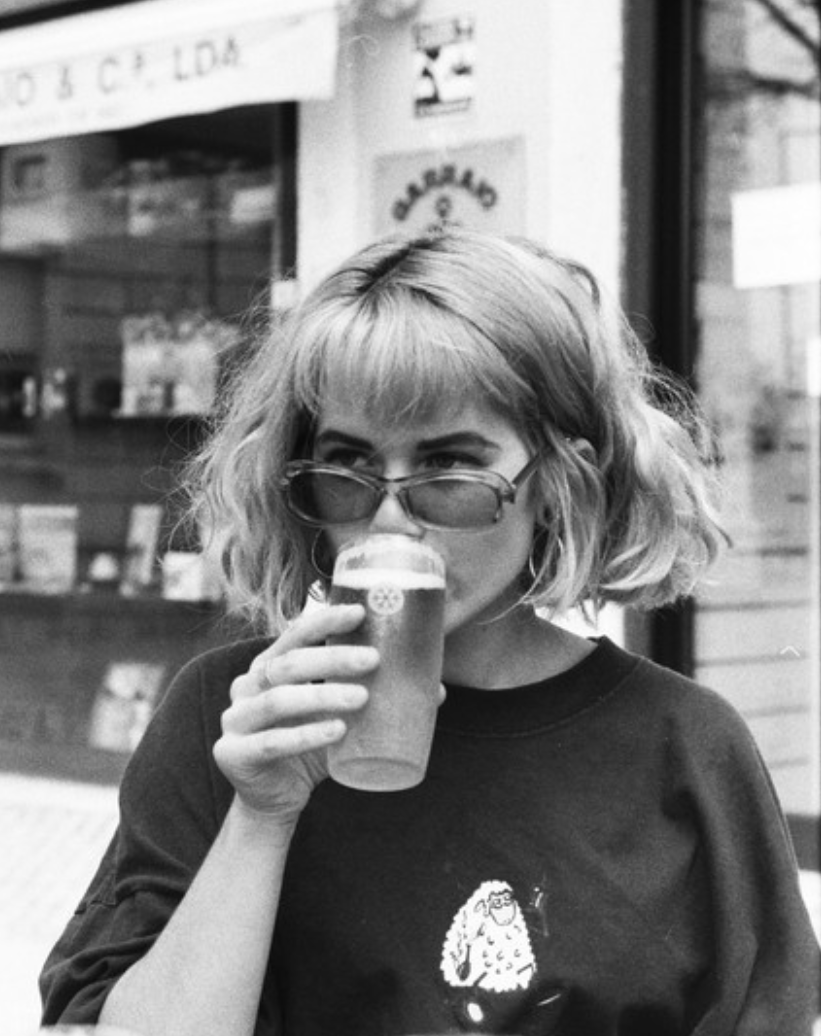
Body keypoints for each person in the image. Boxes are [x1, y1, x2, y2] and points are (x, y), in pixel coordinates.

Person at [40, 228, 819, 1036]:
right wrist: (261, 817)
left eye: (448, 468)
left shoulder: (685, 746)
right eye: (348, 468)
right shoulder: (232, 718)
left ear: (561, 481)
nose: (389, 520)